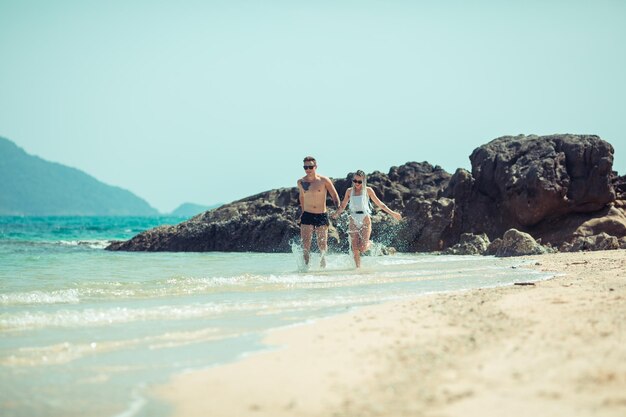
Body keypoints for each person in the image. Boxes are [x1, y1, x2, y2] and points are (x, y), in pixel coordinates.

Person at [332, 170, 402, 268]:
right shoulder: (349, 191)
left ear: (364, 181)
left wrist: (393, 213)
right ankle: (358, 268)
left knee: (363, 248)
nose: (357, 183)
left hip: (365, 218)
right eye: (355, 181)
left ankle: (370, 243)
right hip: (353, 219)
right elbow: (343, 206)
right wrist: (336, 214)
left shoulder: (368, 190)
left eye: (359, 181)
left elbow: (380, 204)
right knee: (355, 248)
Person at [297, 156, 340, 268]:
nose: (308, 169)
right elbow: (302, 197)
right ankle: (305, 270)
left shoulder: (324, 180)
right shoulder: (301, 182)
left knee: (322, 246)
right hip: (307, 215)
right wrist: (302, 212)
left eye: (310, 166)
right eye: (305, 167)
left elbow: (334, 195)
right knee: (306, 246)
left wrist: (338, 209)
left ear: (315, 167)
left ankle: (323, 270)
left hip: (321, 215)